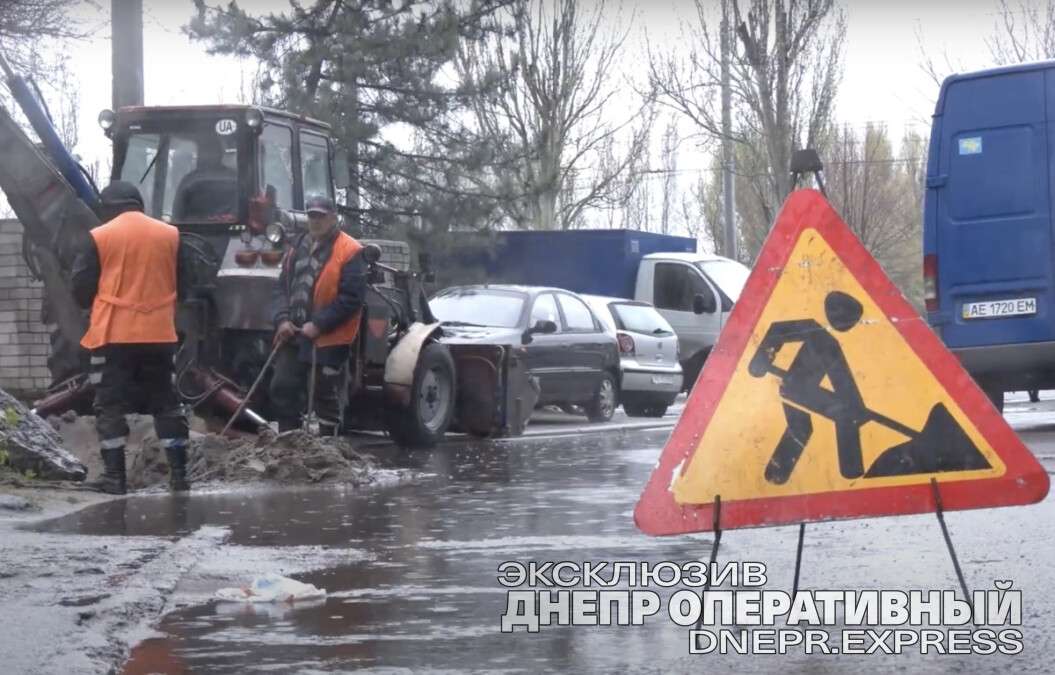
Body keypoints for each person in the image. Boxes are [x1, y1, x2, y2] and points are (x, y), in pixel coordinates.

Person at [72, 181, 190, 494]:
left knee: (110, 405)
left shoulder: (100, 236)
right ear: (139, 204)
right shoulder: (170, 235)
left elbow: (81, 290)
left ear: (109, 207)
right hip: (159, 334)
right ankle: (179, 476)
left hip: (114, 335)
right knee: (166, 403)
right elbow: (187, 284)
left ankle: (115, 478)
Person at [269, 194, 368, 434]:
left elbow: (351, 299)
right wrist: (282, 319)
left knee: (325, 393)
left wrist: (319, 324)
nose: (315, 221)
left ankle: (328, 450)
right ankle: (288, 442)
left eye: (321, 216)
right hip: (293, 333)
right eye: (312, 215)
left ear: (333, 217)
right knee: (283, 386)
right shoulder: (296, 247)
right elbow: (281, 287)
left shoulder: (351, 250)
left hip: (329, 337)